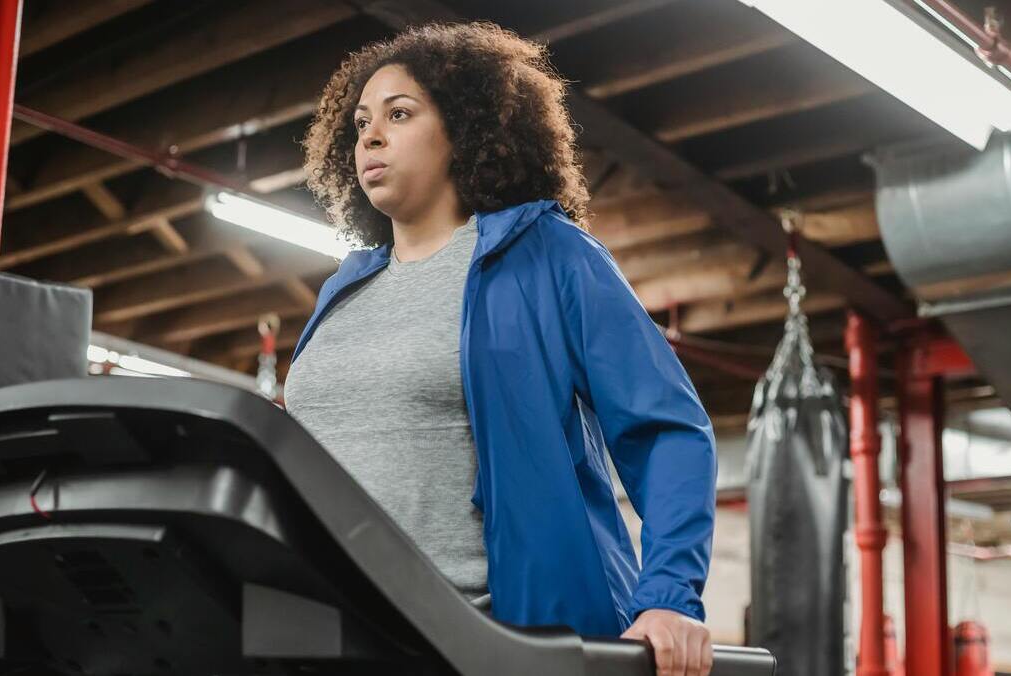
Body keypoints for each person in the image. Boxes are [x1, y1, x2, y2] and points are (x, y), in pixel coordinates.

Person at [282, 22, 718, 676]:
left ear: (467, 128)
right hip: (333, 640)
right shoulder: (343, 290)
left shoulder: (550, 258)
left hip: (492, 642)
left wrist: (669, 598)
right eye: (360, 123)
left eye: (399, 114)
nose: (369, 136)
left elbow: (667, 431)